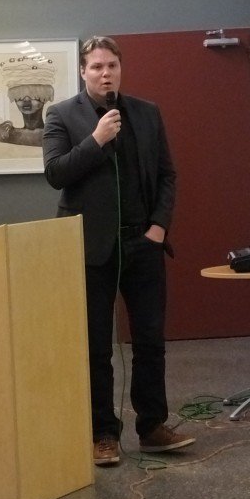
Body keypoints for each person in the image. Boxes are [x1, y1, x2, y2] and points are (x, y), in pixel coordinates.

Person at [42, 35, 193, 466]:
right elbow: (55, 173)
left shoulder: (146, 113)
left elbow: (167, 175)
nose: (105, 73)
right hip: (91, 247)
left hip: (143, 243)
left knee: (150, 341)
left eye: (112, 66)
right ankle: (103, 434)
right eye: (96, 67)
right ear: (82, 72)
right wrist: (96, 139)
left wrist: (159, 227)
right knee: (96, 347)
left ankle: (152, 427)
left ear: (120, 68)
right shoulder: (61, 115)